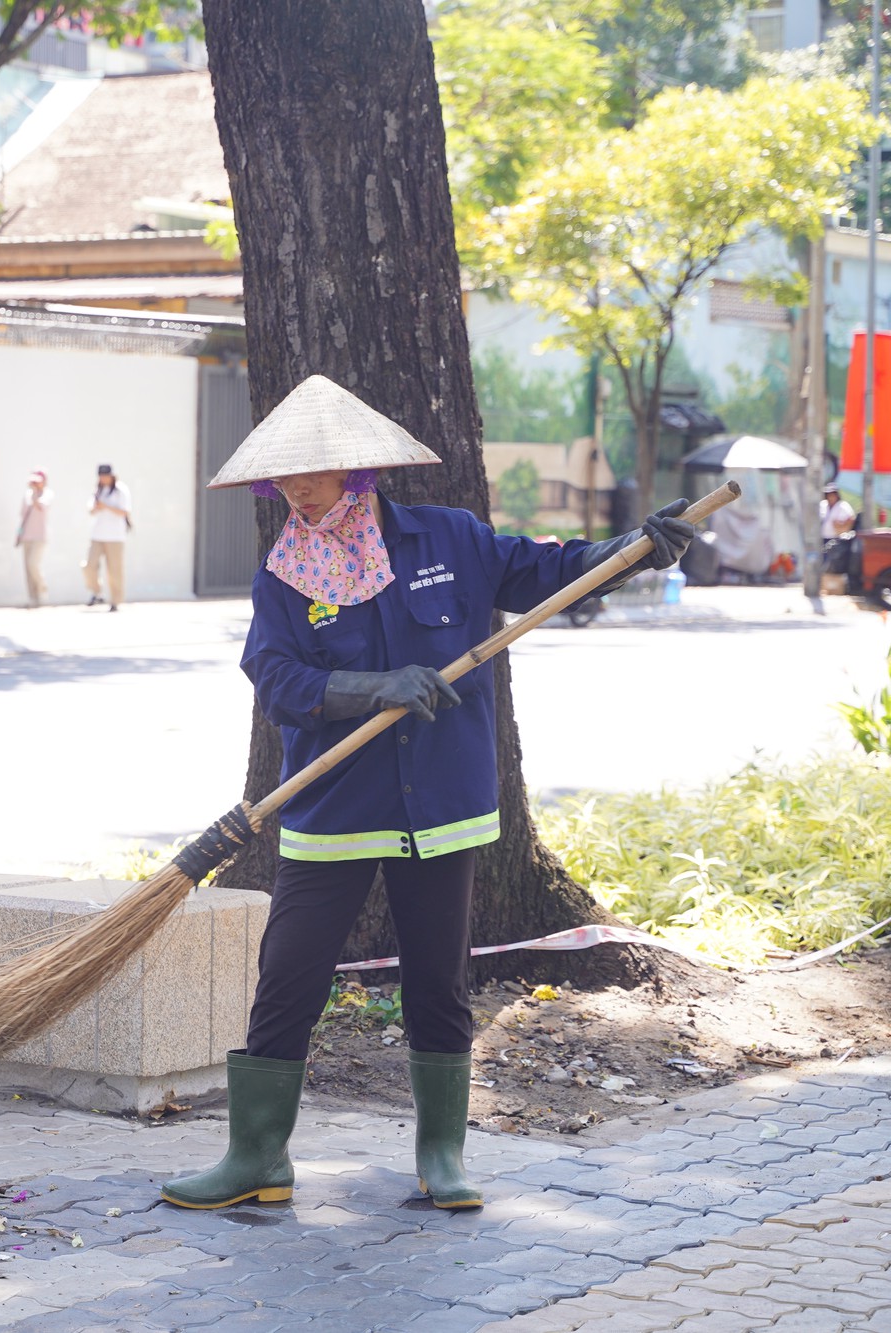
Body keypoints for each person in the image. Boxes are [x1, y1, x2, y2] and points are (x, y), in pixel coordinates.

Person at [159, 376, 695, 1214]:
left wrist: (634, 549)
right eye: (283, 477)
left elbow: (552, 571)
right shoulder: (284, 576)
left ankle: (441, 1154)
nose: (296, 490)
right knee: (289, 979)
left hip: (441, 809)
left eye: (313, 471)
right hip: (334, 810)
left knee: (437, 984)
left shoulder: (450, 539)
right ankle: (256, 1154)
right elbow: (275, 678)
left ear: (358, 469)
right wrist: (372, 686)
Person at [83, 463, 130, 611]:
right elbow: (90, 510)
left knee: (114, 570)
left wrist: (106, 506)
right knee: (89, 565)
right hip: (97, 535)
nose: (103, 479)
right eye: (101, 476)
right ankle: (97, 592)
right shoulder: (97, 490)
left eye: (106, 476)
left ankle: (115, 601)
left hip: (116, 536)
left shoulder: (121, 490)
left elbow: (125, 512)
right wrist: (97, 507)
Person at [16, 470, 51, 607]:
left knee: (33, 564)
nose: (34, 484)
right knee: (27, 568)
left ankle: (42, 589)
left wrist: (36, 493)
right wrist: (18, 533)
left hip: (40, 536)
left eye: (37, 481)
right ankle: (32, 598)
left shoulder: (47, 494)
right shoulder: (26, 495)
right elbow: (22, 516)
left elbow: (40, 506)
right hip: (26, 536)